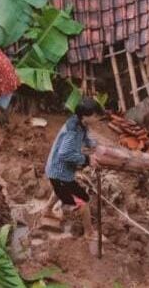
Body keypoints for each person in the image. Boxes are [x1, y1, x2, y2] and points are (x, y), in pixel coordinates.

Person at [43, 98, 102, 243]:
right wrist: (87, 160)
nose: (97, 118)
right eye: (95, 115)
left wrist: (93, 145)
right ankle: (89, 233)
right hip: (59, 171)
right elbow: (64, 153)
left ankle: (47, 210)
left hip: (59, 171)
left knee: (60, 189)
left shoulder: (79, 123)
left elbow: (86, 136)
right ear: (85, 116)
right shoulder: (73, 131)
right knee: (83, 200)